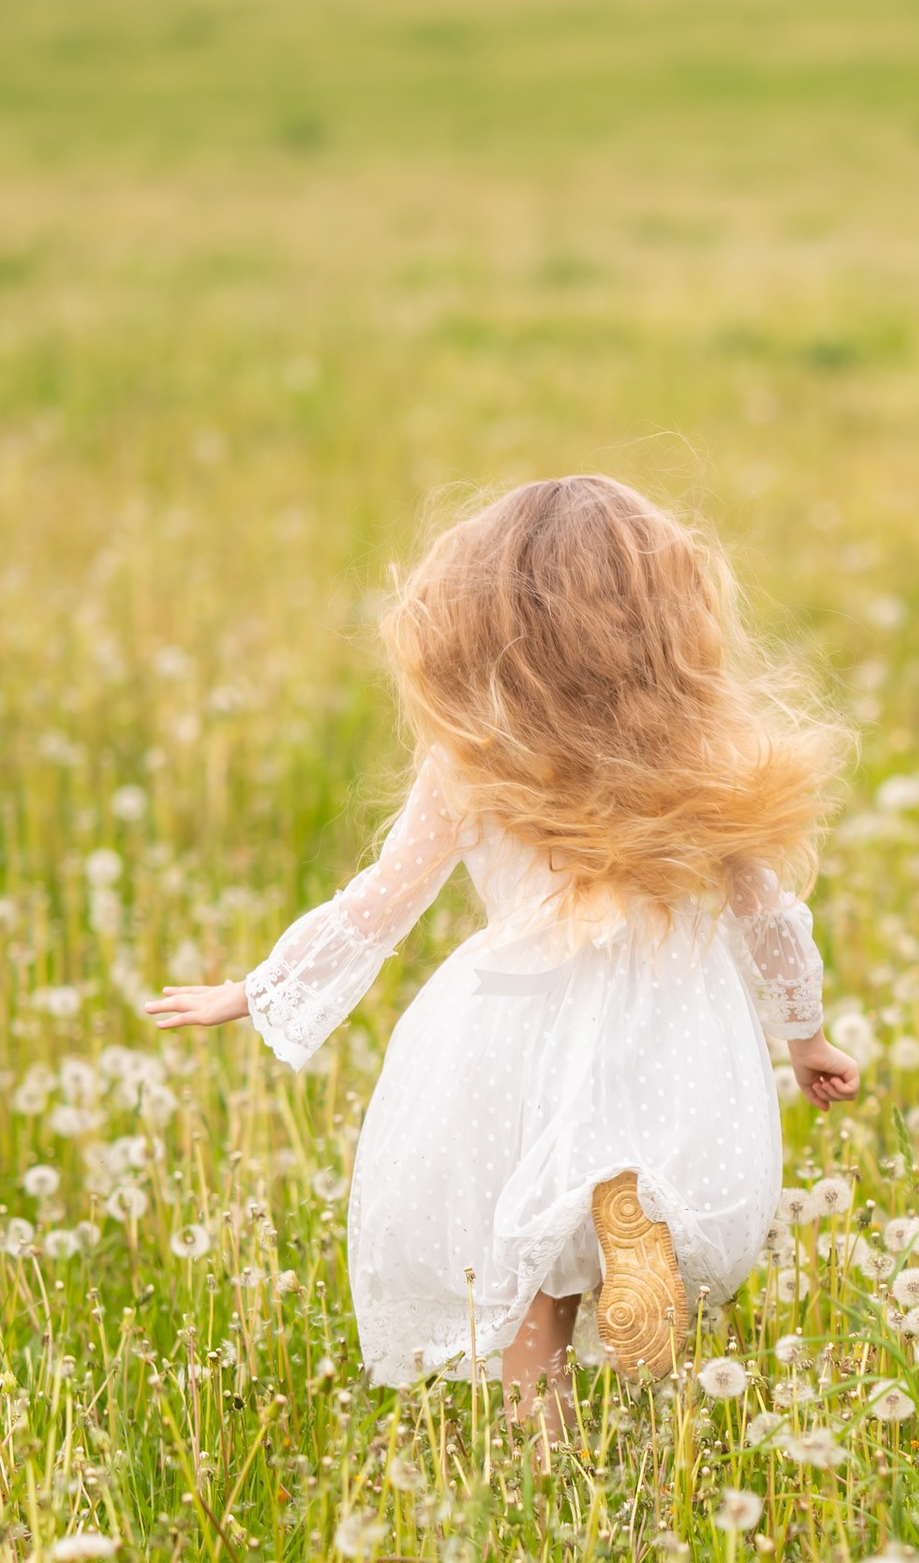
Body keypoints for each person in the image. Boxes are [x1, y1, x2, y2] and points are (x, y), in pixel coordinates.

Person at [150, 474, 859, 1431]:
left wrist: (258, 991)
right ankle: (630, 1224)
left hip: (511, 1013)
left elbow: (381, 902)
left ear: (478, 619)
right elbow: (762, 911)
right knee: (630, 1149)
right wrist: (804, 1035)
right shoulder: (704, 744)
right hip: (669, 1007)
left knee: (516, 1225)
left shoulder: (476, 755)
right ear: (668, 612)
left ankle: (542, 1450)